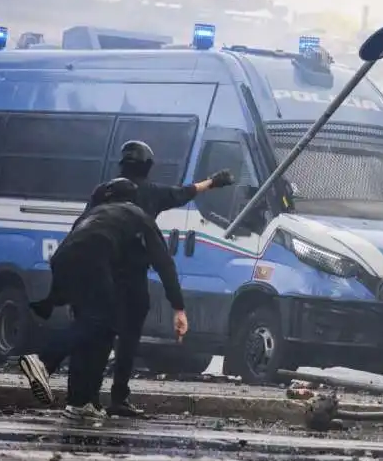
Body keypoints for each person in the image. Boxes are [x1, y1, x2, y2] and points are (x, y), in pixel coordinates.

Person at [18, 178, 187, 422]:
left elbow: (74, 248)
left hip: (63, 259)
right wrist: (178, 306)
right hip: (92, 258)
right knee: (103, 321)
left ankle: (79, 402)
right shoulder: (138, 215)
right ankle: (43, 360)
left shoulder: (94, 213)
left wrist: (58, 296)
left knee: (94, 329)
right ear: (133, 197)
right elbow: (164, 263)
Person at [100, 140, 234, 417]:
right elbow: (182, 194)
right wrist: (214, 182)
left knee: (97, 334)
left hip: (101, 271)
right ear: (148, 167)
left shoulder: (103, 193)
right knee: (127, 338)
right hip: (132, 277)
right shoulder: (150, 196)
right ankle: (118, 398)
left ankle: (83, 398)